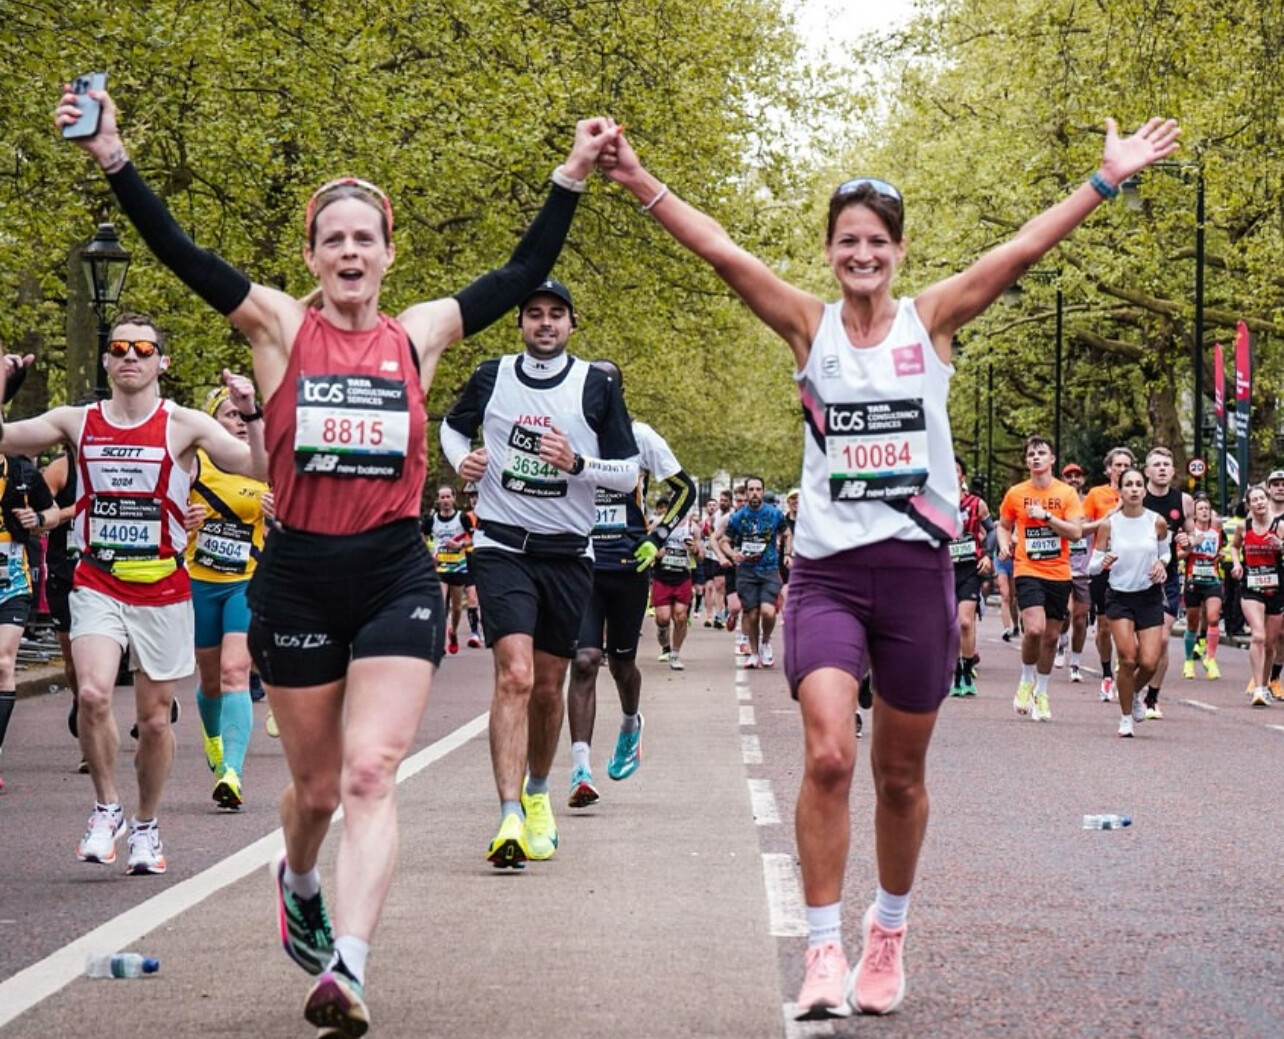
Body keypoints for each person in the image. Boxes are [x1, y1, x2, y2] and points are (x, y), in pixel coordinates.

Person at [58, 82, 617, 1036]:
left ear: (389, 253)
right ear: (313, 256)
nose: (351, 252)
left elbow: (524, 268)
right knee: (315, 791)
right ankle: (302, 881)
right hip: (300, 578)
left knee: (370, 775)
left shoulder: (421, 333)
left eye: (366, 238)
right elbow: (184, 254)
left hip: (396, 571)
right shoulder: (279, 326)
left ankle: (348, 966)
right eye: (334, 240)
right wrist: (113, 155)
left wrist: (570, 173)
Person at [599, 109, 1180, 1017]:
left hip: (915, 576)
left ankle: (887, 932)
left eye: (877, 240)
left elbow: (1021, 250)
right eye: (847, 240)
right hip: (829, 578)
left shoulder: (931, 319)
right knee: (831, 754)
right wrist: (638, 178)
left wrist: (1106, 180)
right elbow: (721, 252)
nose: (862, 254)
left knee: (900, 776)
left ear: (899, 251)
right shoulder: (808, 326)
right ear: (829, 251)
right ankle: (821, 948)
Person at [0, 310, 264, 871]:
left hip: (164, 584)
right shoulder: (78, 420)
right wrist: (3, 387)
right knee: (94, 694)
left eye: (143, 350)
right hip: (98, 579)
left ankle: (146, 825)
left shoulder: (185, 425)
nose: (130, 357)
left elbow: (259, 467)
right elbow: (6, 438)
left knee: (155, 720)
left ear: (162, 362)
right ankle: (106, 808)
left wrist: (251, 413)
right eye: (120, 348)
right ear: (105, 359)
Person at [441, 279, 639, 868]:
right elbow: (452, 427)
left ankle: (537, 793)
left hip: (568, 554)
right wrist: (463, 459)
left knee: (549, 687)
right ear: (520, 323)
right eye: (534, 314)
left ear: (572, 324)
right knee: (516, 675)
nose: (545, 323)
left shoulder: (596, 385)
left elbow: (628, 473)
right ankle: (508, 816)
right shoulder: (492, 375)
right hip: (501, 546)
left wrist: (577, 463)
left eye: (556, 314)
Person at [565, 358, 695, 808]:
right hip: (583, 563)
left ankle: (629, 724)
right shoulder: (572, 435)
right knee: (584, 660)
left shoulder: (641, 437)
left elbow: (685, 489)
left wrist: (656, 538)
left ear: (617, 393)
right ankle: (580, 769)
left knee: (622, 665)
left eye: (604, 387)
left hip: (628, 566)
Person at [186, 386, 271, 810]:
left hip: (246, 582)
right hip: (199, 582)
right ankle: (213, 737)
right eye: (229, 414)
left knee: (235, 671)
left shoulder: (264, 467)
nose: (238, 421)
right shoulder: (194, 462)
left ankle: (232, 773)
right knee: (210, 681)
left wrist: (279, 516)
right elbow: (160, 511)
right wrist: (181, 518)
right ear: (211, 421)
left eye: (243, 415)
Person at [997, 436, 1085, 722]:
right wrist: (1003, 544)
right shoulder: (1016, 493)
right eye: (1031, 454)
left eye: (1041, 453)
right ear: (1026, 461)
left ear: (1052, 459)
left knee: (1051, 637)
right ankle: (1026, 680)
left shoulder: (1066, 494)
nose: (1036, 457)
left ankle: (1042, 692)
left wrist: (1046, 516)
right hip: (1028, 569)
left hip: (1058, 572)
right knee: (1034, 629)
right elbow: (1003, 525)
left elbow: (1075, 533)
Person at [1089, 469, 1168, 737]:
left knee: (1150, 662)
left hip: (1149, 595)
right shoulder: (1109, 525)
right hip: (1119, 596)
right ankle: (1125, 718)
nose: (1134, 489)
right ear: (1120, 492)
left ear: (1144, 490)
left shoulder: (1156, 521)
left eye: (1138, 484)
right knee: (1128, 658)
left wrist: (1161, 564)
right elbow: (1092, 567)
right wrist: (1103, 562)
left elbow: (1166, 553)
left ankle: (1133, 692)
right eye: (1128, 485)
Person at [0, 452, 55, 791]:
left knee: (3, 663)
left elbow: (52, 512)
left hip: (12, 586)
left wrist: (37, 518)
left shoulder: (21, 470)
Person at [1139, 446, 1193, 718]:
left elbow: (1192, 538)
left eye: (1166, 465)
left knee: (1161, 639)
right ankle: (1130, 678)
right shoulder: (1136, 496)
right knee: (1137, 644)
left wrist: (1187, 540)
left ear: (1173, 471)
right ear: (1146, 471)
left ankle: (1152, 697)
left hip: (1167, 578)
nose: (1161, 469)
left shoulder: (1183, 501)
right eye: (1156, 464)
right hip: (1136, 576)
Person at [717, 476, 789, 668]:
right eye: (751, 489)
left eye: (758, 489)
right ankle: (754, 654)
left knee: (768, 612)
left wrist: (787, 554)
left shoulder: (774, 514)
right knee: (752, 614)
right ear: (747, 492)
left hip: (769, 569)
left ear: (763, 492)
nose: (755, 493)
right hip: (746, 571)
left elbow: (787, 533)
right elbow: (724, 541)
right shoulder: (738, 517)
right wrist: (733, 554)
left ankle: (765, 643)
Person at [1081, 447, 1134, 701]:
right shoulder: (1096, 494)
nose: (1122, 470)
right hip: (1103, 565)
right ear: (1108, 470)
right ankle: (1106, 674)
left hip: (1131, 565)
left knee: (1130, 623)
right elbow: (1082, 528)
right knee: (1104, 626)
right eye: (1118, 465)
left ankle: (1125, 665)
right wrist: (1110, 515)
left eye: (1126, 465)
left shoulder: (1139, 493)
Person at [1230, 485, 1282, 707]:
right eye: (1255, 500)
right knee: (1258, 636)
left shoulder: (1280, 526)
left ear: (1268, 500)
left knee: (1270, 644)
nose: (1260, 502)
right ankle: (1258, 688)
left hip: (1276, 589)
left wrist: (1280, 545)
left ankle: (1266, 683)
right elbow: (1234, 547)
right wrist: (1236, 564)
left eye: (1262, 498)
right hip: (1251, 587)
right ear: (1249, 505)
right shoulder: (1244, 526)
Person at [949, 457, 991, 697]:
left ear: (962, 476)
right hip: (944, 570)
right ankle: (954, 673)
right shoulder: (934, 503)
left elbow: (992, 531)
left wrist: (988, 556)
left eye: (955, 469)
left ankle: (965, 672)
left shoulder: (976, 504)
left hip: (969, 568)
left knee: (965, 622)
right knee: (951, 624)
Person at [425, 484, 477, 654]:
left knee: (456, 608)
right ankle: (440, 643)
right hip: (441, 568)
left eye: (448, 497)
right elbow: (422, 537)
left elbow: (475, 538)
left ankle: (453, 632)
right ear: (438, 500)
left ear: (454, 498)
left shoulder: (462, 518)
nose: (446, 500)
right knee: (440, 605)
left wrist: (460, 545)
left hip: (458, 567)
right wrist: (430, 553)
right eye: (442, 497)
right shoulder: (432, 520)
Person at [1180, 496, 1223, 682]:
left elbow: (1218, 551)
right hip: (1193, 581)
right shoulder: (1189, 533)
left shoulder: (1217, 532)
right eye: (1201, 509)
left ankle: (1210, 659)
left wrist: (1220, 555)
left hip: (1212, 580)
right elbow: (1178, 555)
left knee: (1213, 618)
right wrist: (1192, 546)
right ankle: (1189, 661)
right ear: (1195, 514)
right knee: (1192, 623)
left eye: (1207, 508)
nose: (1205, 511)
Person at [1056, 462, 1091, 682]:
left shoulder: (1090, 503)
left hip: (1085, 569)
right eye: (1069, 476)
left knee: (1080, 618)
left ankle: (1076, 663)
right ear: (1063, 480)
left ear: (1083, 479)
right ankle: (1061, 641)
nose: (1074, 480)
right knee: (1065, 613)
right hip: (1062, 566)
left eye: (1077, 476)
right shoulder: (1058, 502)